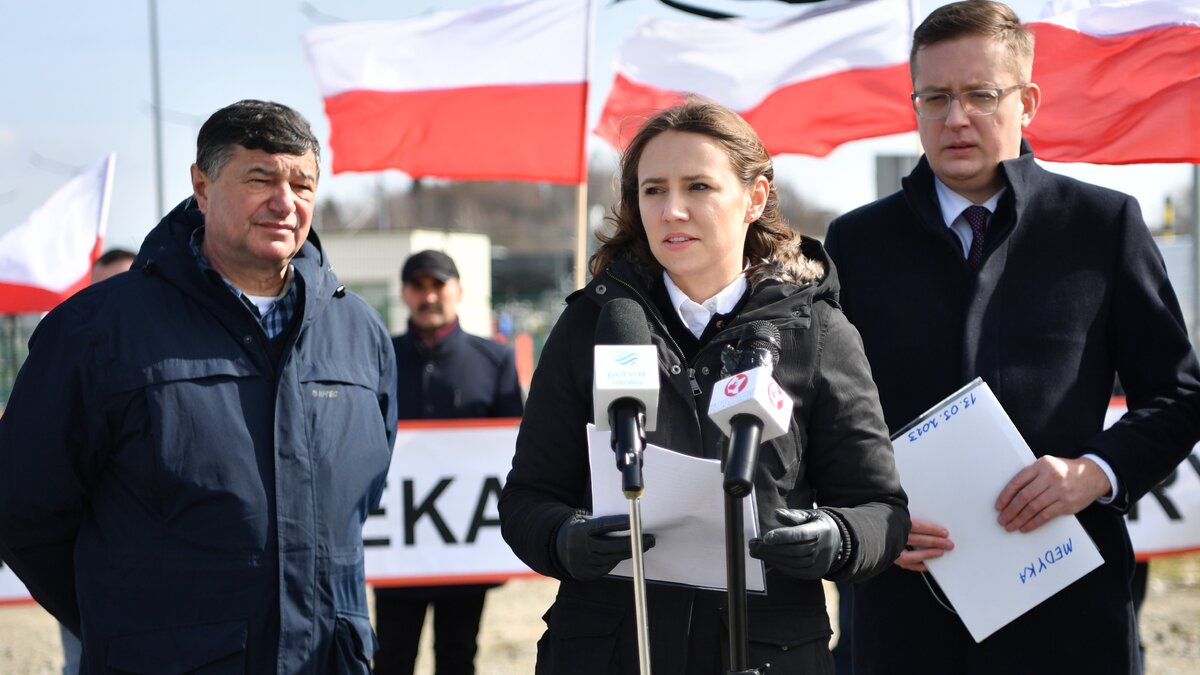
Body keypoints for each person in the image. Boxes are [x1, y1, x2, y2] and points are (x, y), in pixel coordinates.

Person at [824, 3, 1200, 673]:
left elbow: (1177, 393)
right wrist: (866, 516)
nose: (956, 117)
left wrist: (1094, 473)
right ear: (914, 105)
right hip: (902, 610)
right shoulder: (854, 242)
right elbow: (818, 414)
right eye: (935, 97)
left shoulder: (1102, 224)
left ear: (1026, 102)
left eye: (980, 94)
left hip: (1064, 608)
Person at [499, 99, 910, 674]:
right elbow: (525, 500)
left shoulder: (818, 332)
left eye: (698, 187)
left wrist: (837, 537)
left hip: (764, 653)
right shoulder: (589, 326)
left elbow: (881, 509)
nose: (672, 210)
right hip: (609, 650)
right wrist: (564, 538)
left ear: (755, 198)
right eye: (653, 190)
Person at [0, 99, 398, 673]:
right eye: (260, 178)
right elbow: (23, 511)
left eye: (302, 184)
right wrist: (134, 627)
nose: (284, 202)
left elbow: (356, 503)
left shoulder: (360, 332)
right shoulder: (96, 331)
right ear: (203, 186)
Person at [373, 249, 523, 674]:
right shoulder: (378, 358)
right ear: (404, 293)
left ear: (457, 290)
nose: (429, 296)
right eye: (418, 287)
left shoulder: (494, 361)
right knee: (391, 658)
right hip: (398, 548)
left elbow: (515, 452)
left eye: (438, 285)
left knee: (458, 658)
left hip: (463, 547)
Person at [53, 247, 140, 675]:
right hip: (89, 582)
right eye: (102, 290)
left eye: (123, 287)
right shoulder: (66, 374)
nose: (113, 301)